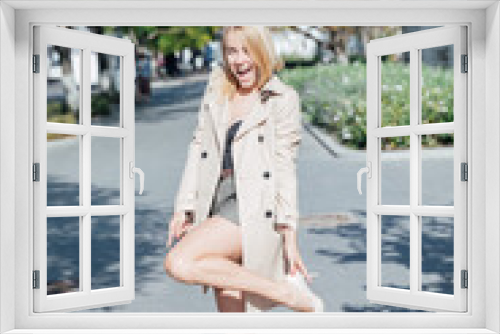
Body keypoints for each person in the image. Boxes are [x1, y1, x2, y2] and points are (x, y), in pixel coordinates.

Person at [164, 26, 323, 313]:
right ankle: (288, 293)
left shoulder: (281, 99)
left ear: (262, 51)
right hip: (215, 201)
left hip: (252, 204)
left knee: (179, 262)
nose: (239, 60)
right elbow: (198, 147)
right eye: (232, 51)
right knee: (233, 316)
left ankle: (287, 294)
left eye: (247, 50)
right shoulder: (217, 89)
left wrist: (290, 236)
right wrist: (184, 206)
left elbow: (284, 167)